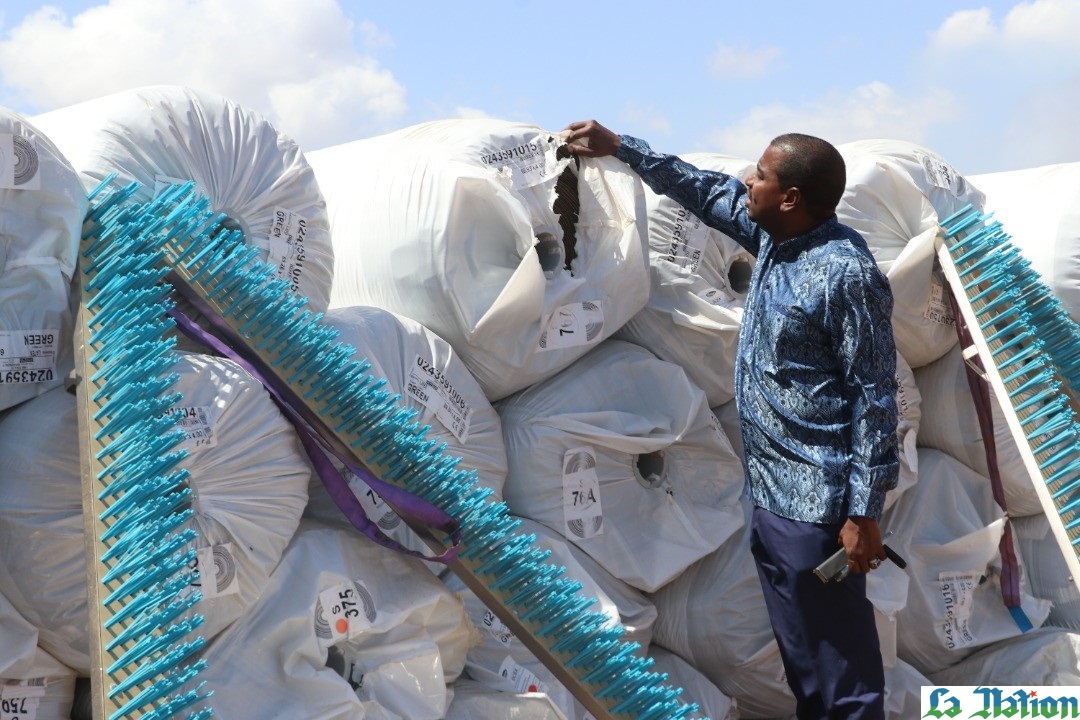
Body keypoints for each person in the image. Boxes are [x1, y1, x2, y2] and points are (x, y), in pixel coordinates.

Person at [563, 120, 899, 720]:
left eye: (762, 175)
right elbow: (708, 191)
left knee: (843, 670)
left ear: (791, 198)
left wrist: (863, 513)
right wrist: (622, 149)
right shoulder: (777, 238)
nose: (749, 181)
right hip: (773, 498)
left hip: (820, 508)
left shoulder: (845, 273)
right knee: (805, 663)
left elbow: (874, 396)